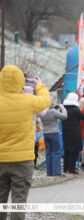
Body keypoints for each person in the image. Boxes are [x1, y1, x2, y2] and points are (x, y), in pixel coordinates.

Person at [0, 65, 51, 220]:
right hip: (23, 160)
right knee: (19, 201)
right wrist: (39, 85)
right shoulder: (28, 100)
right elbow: (46, 101)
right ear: (21, 82)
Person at [62, 92, 84, 174]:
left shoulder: (64, 109)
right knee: (74, 152)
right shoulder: (75, 110)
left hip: (65, 133)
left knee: (67, 151)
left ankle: (65, 168)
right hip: (74, 134)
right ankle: (71, 169)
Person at [39, 97, 68, 176]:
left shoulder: (42, 112)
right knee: (56, 152)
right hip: (54, 133)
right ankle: (56, 172)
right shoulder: (53, 111)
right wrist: (63, 108)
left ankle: (49, 172)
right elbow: (64, 117)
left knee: (48, 152)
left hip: (45, 133)